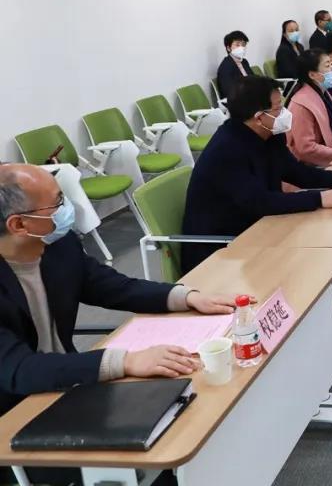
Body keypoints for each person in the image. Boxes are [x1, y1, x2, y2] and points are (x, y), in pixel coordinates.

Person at [0, 164, 239, 417]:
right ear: (19, 225)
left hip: (67, 382)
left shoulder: (59, 245)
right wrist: (125, 361)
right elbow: (19, 369)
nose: (67, 208)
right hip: (13, 407)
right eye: (57, 203)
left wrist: (186, 297)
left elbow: (111, 286)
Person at [181, 76, 332, 273]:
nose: (285, 114)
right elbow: (259, 202)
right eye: (279, 109)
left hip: (261, 228)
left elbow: (294, 171)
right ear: (259, 117)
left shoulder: (269, 134)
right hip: (222, 249)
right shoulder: (226, 149)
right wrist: (320, 198)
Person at [285, 50, 332, 166]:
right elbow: (306, 148)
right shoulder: (301, 104)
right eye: (327, 66)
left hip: (330, 158)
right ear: (312, 75)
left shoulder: (323, 93)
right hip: (310, 167)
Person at [216, 30, 251, 101]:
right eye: (237, 45)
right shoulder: (225, 66)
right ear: (228, 48)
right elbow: (228, 91)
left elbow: (253, 79)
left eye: (243, 45)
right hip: (237, 101)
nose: (241, 48)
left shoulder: (244, 62)